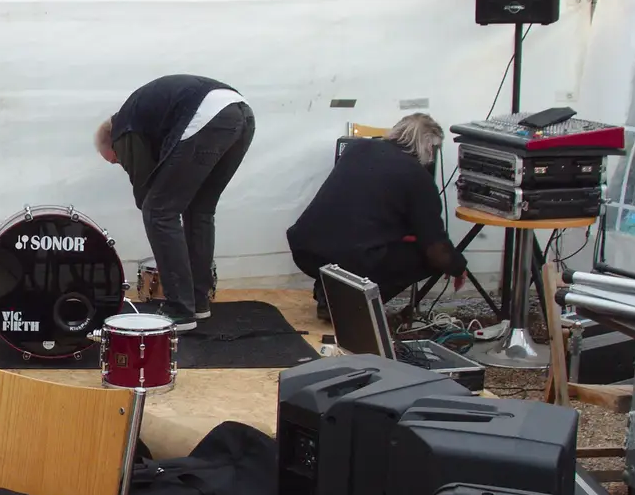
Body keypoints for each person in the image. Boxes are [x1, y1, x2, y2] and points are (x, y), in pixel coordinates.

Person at [95, 75, 255, 332]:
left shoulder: (123, 128)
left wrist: (151, 209)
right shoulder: (144, 117)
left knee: (158, 212)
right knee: (199, 210)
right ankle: (198, 302)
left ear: (113, 143)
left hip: (207, 115)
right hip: (240, 114)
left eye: (115, 160)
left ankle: (180, 309)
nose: (120, 163)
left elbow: (144, 186)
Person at [286, 112, 466, 319]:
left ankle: (331, 298)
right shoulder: (418, 177)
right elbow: (435, 246)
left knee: (350, 250)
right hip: (352, 257)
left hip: (307, 250)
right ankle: (352, 309)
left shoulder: (358, 149)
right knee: (428, 259)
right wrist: (456, 266)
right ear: (428, 146)